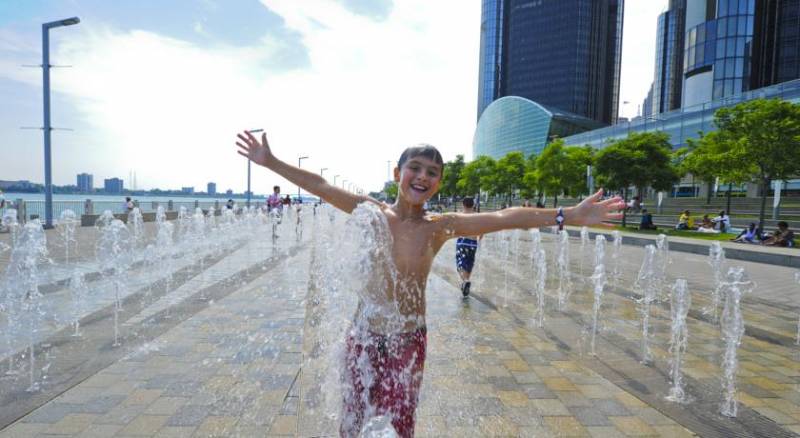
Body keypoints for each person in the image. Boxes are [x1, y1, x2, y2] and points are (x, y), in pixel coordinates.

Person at [235, 130, 624, 438]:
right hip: (363, 337)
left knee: (397, 426)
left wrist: (569, 214)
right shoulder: (370, 213)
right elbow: (319, 185)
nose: (423, 176)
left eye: (432, 172)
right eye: (415, 168)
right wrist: (270, 162)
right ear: (397, 174)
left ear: (438, 183)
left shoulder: (440, 227)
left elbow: (505, 216)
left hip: (408, 340)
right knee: (353, 421)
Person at [455, 197, 481, 297]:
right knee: (469, 263)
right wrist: (480, 237)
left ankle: (465, 281)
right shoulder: (478, 216)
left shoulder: (460, 215)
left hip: (463, 242)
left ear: (463, 204)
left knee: (460, 264)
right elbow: (482, 230)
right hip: (473, 243)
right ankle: (466, 283)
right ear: (473, 205)